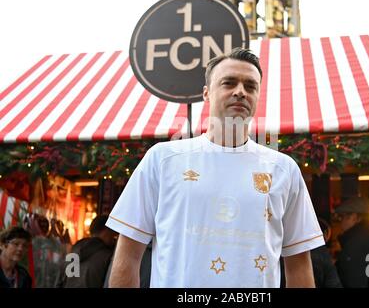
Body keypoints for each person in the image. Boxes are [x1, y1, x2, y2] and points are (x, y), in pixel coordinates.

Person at [106, 48, 325, 288]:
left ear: (258, 96)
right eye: (228, 83)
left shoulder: (284, 170)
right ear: (206, 93)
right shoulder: (162, 159)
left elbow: (299, 263)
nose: (240, 92)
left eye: (250, 86)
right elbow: (129, 252)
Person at [61, 214, 117, 288]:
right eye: (113, 233)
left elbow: (61, 280)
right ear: (106, 231)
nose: (114, 237)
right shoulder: (107, 256)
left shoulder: (74, 250)